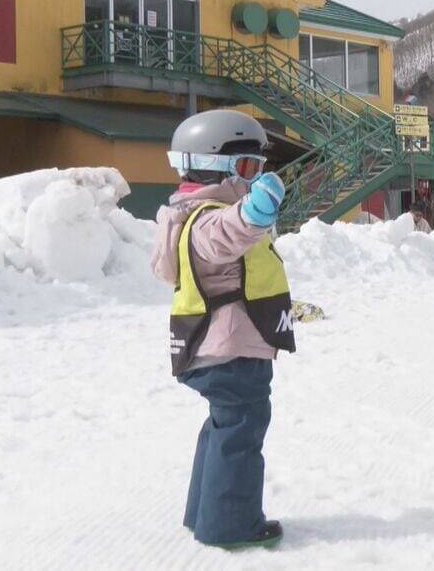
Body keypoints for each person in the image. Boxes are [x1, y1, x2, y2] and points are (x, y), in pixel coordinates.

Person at [150, 109, 296, 549]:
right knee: (241, 430)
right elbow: (225, 236)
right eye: (248, 168)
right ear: (212, 166)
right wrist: (253, 212)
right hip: (230, 349)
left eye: (259, 168)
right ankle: (230, 525)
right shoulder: (207, 219)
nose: (254, 178)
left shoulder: (186, 215)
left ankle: (204, 512)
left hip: (212, 346)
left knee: (224, 425)